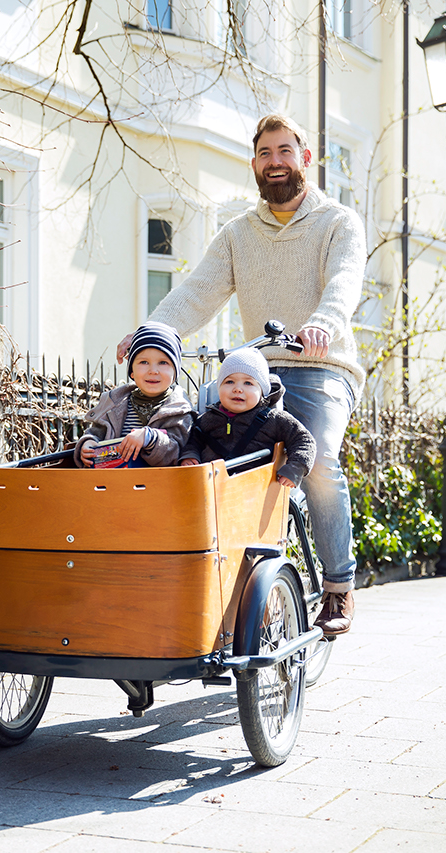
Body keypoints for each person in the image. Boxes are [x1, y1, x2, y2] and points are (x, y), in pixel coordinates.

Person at [117, 113, 365, 635]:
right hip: (256, 370)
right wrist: (152, 330)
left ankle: (339, 588)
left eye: (284, 151)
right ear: (254, 164)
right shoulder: (239, 234)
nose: (275, 162)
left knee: (317, 457)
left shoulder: (338, 222)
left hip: (323, 365)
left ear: (305, 159)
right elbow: (198, 290)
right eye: (265, 154)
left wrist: (323, 322)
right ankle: (207, 577)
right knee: (194, 446)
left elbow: (344, 281)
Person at [180, 348, 316, 489]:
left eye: (248, 383)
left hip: (257, 489)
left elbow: (303, 440)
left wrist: (296, 467)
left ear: (262, 390)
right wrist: (190, 456)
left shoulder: (274, 419)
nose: (237, 389)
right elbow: (192, 442)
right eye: (229, 382)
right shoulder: (207, 419)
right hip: (213, 489)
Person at [75, 321, 193, 468]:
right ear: (132, 371)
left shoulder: (178, 410)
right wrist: (88, 443)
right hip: (111, 483)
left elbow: (175, 452)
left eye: (163, 363)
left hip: (156, 485)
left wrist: (149, 437)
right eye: (144, 362)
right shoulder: (115, 404)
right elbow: (96, 432)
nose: (153, 370)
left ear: (175, 373)